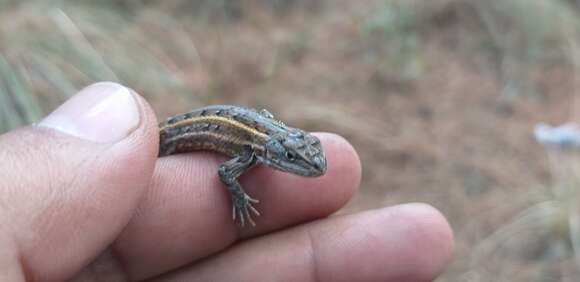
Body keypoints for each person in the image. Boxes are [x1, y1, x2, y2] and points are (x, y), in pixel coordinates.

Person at [0, 82, 454, 281]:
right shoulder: (250, 150)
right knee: (143, 182)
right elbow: (221, 171)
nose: (310, 168)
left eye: (305, 156)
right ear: (278, 151)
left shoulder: (263, 143)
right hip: (170, 141)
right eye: (297, 159)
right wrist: (238, 197)